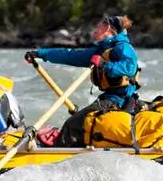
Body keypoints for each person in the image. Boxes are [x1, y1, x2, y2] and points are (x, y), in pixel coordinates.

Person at [26, 14, 140, 147]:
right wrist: (40, 53)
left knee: (72, 124)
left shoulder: (123, 47)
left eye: (98, 26)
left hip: (119, 101)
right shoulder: (101, 50)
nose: (94, 30)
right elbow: (70, 55)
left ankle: (55, 149)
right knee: (77, 120)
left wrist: (104, 65)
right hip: (108, 98)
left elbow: (130, 68)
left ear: (107, 28)